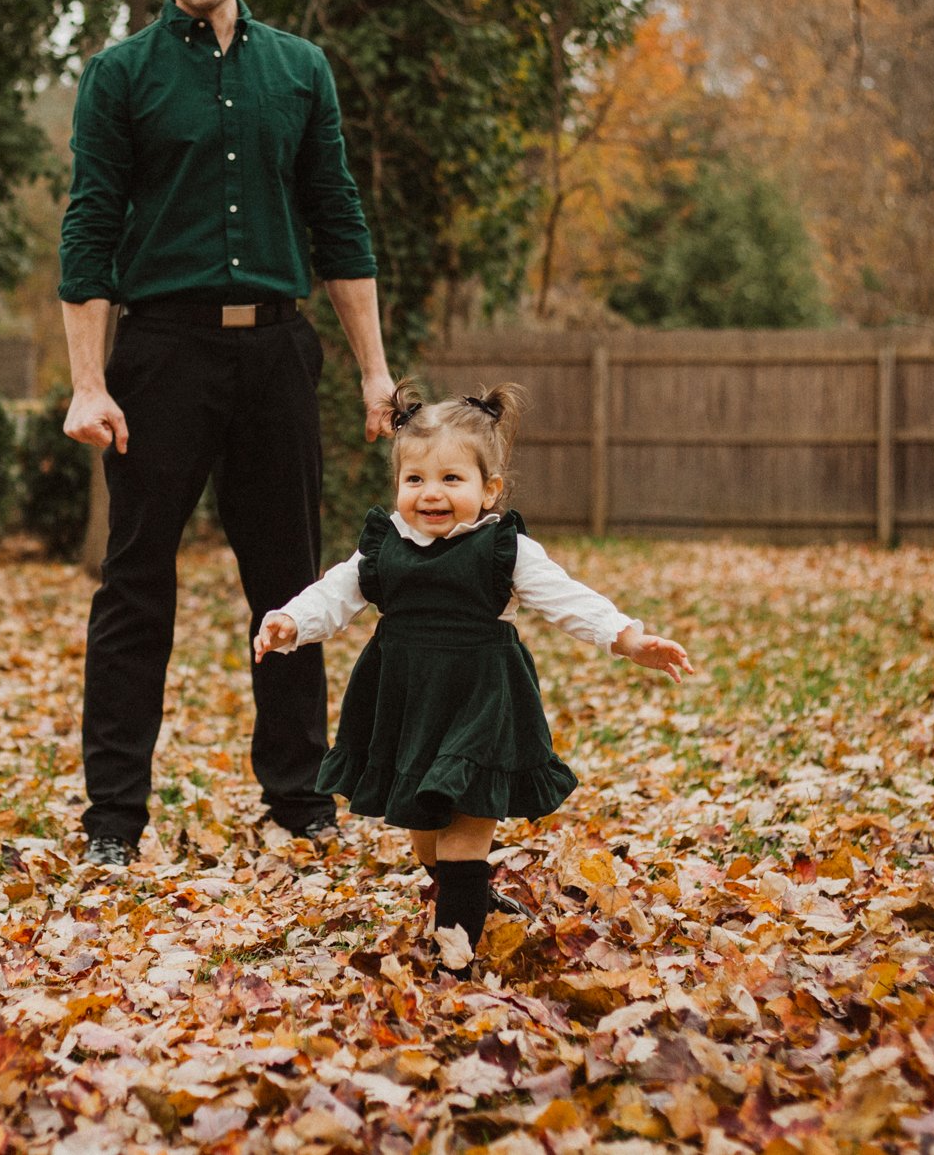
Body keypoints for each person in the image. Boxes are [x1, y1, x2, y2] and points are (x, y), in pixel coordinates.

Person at [59, 0, 394, 866]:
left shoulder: (298, 69)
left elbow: (337, 221)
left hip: (276, 357)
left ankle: (298, 798)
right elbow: (88, 230)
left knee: (288, 585)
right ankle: (113, 816)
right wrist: (87, 381)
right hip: (158, 357)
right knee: (134, 586)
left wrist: (373, 369)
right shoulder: (118, 77)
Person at [253, 382, 691, 973]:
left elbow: (568, 599)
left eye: (451, 480)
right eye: (415, 481)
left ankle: (454, 954)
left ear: (489, 490)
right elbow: (335, 593)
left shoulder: (504, 549)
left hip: (482, 699)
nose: (431, 494)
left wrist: (628, 638)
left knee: (464, 826)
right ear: (398, 486)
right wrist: (290, 621)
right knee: (426, 833)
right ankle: (470, 892)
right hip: (405, 699)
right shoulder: (383, 545)